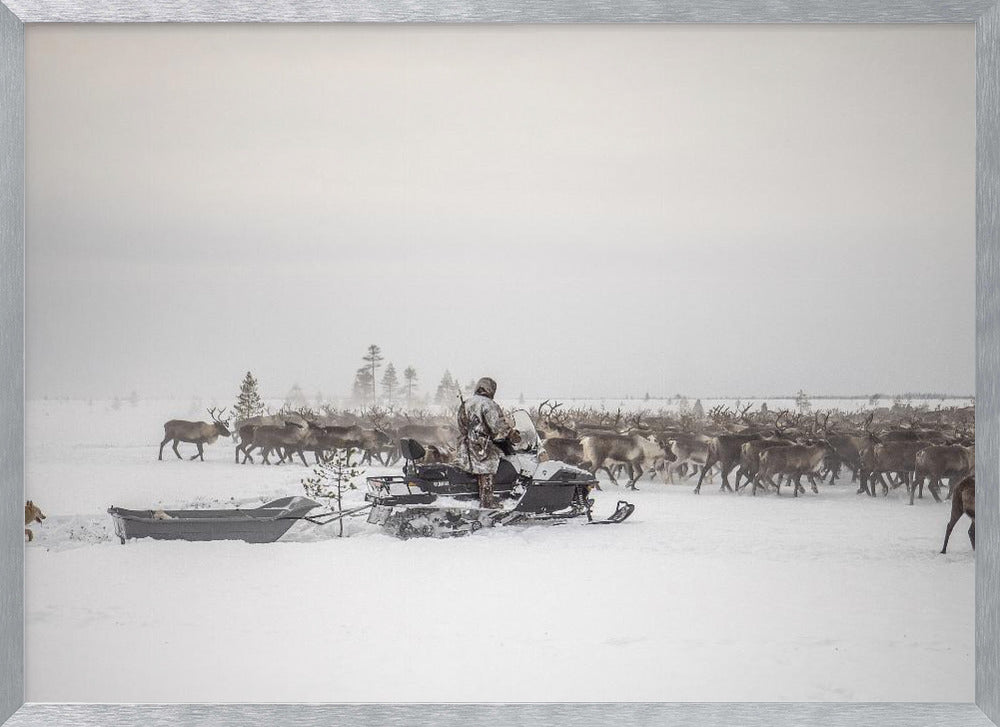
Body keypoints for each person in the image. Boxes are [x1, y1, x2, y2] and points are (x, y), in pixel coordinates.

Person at [456, 377, 513, 508]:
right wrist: (511, 433)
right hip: (482, 445)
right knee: (487, 469)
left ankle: (474, 496)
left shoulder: (466, 403)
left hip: (465, 444)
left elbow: (461, 425)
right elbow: (497, 426)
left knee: (472, 470)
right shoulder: (488, 404)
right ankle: (487, 501)